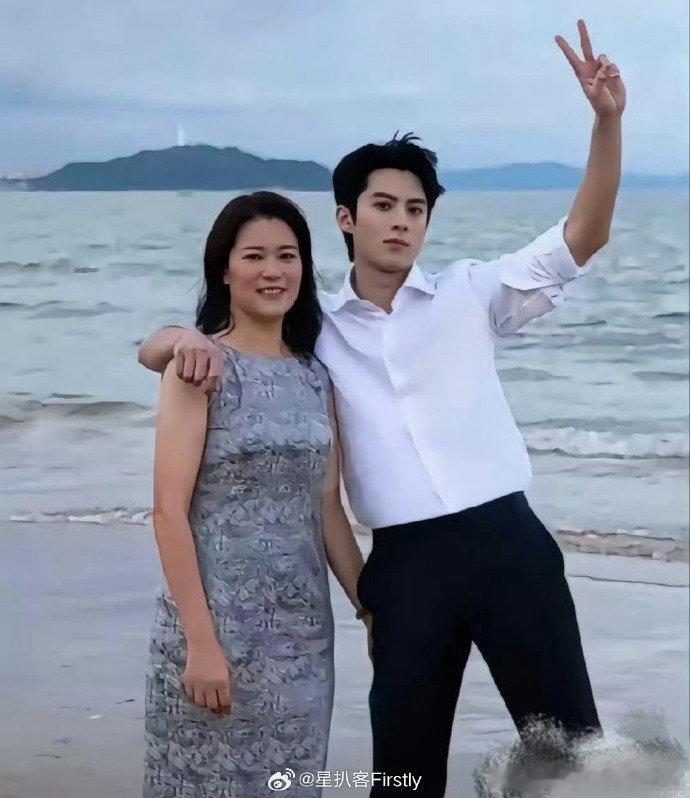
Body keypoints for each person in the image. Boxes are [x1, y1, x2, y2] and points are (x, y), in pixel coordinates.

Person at [139, 22, 624, 795]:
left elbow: (583, 237)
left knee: (572, 755)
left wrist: (606, 122)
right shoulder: (315, 331)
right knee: (403, 774)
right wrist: (171, 337)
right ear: (346, 218)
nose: (401, 220)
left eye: (416, 209)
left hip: (508, 547)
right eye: (385, 204)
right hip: (402, 569)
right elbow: (225, 345)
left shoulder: (472, 292)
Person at [142, 191, 370, 798]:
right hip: (215, 626)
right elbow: (168, 513)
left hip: (302, 638)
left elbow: (326, 508)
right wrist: (201, 645)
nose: (273, 271)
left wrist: (369, 609)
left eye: (287, 256)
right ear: (224, 269)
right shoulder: (200, 365)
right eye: (254, 256)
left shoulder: (314, 374)